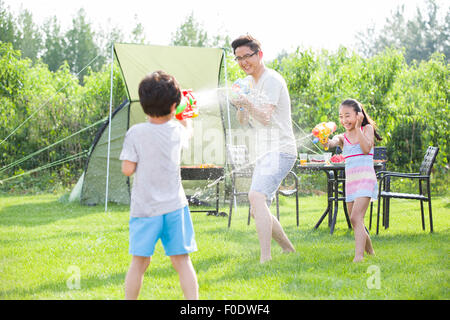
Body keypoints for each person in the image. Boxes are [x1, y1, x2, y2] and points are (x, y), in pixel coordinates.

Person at [120, 70, 198, 299]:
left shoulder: (136, 133)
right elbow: (188, 132)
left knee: (139, 263)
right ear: (174, 105)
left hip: (145, 209)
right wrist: (187, 116)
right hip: (175, 207)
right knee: (182, 261)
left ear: (143, 104)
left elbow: (127, 168)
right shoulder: (177, 131)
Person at [230, 34, 297, 263]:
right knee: (257, 207)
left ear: (259, 54)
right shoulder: (248, 83)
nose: (242, 63)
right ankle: (288, 249)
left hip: (281, 148)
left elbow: (266, 117)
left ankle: (265, 259)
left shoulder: (272, 80)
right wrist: (241, 105)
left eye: (246, 56)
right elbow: (242, 120)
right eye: (238, 58)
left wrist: (247, 102)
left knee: (256, 197)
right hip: (265, 151)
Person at [325, 99, 382, 262]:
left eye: (347, 116)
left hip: (366, 180)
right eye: (341, 117)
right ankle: (371, 253)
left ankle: (359, 256)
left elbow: (365, 149)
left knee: (356, 218)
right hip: (351, 183)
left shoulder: (367, 129)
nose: (344, 120)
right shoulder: (342, 137)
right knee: (355, 221)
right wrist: (324, 140)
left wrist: (357, 128)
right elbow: (330, 143)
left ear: (359, 115)